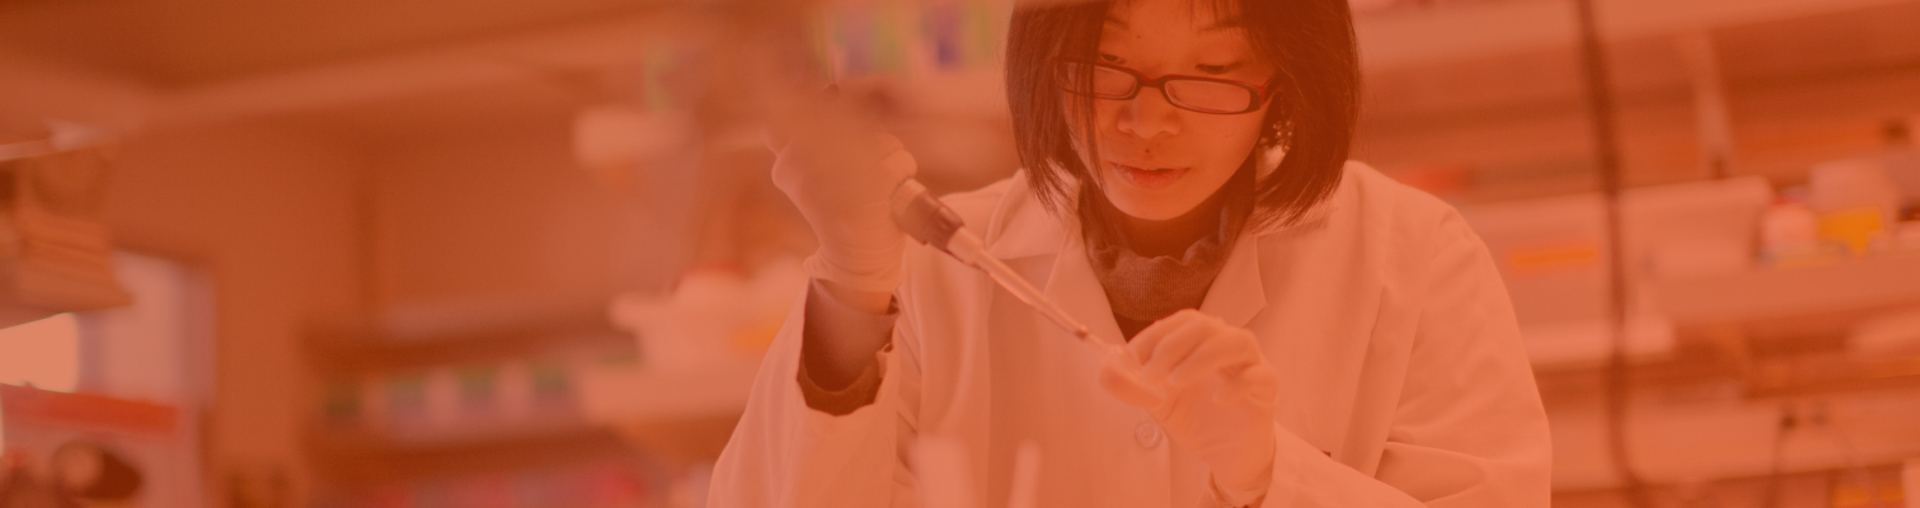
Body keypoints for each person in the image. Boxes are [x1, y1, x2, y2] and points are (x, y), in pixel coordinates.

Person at [709, 0, 1552, 505]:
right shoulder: (933, 269)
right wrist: (855, 286)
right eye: (1105, 66)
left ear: (1283, 82)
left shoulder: (1411, 259)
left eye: (1212, 71)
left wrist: (1271, 474)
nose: (1145, 123)